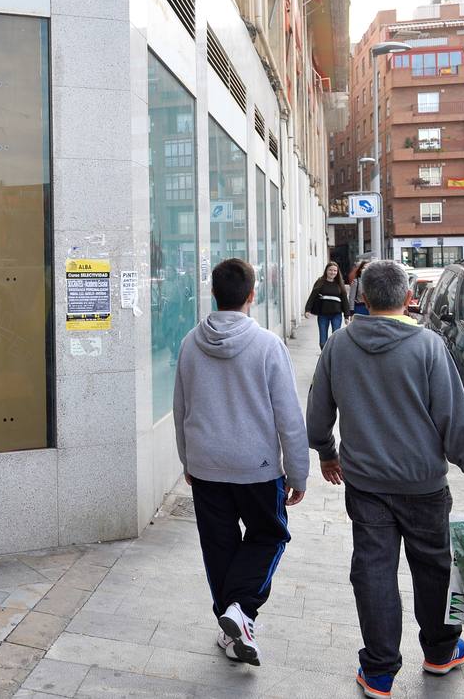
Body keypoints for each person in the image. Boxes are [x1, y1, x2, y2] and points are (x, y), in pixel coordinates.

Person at [306, 260, 464, 698]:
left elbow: (317, 415)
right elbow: (455, 423)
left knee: (373, 571)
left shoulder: (339, 346)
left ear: (361, 297)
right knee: (434, 568)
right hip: (423, 485)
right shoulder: (428, 346)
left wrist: (327, 453)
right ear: (407, 299)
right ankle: (440, 653)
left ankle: (379, 672)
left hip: (366, 486)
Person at [173, 258, 308, 667]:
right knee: (270, 536)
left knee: (219, 547)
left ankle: (231, 628)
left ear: (213, 293)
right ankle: (242, 611)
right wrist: (298, 472)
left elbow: (180, 408)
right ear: (252, 295)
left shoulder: (189, 343)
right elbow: (288, 417)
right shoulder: (267, 345)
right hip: (258, 467)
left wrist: (188, 461)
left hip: (207, 464)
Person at [304, 262, 352, 347]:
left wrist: (346, 316)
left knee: (335, 338)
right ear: (326, 270)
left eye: (335, 270)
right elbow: (312, 296)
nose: (332, 272)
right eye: (330, 270)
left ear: (337, 272)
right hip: (323, 315)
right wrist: (307, 310)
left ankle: (333, 356)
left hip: (336, 315)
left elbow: (345, 301)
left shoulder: (340, 284)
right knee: (323, 341)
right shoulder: (320, 282)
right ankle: (324, 356)